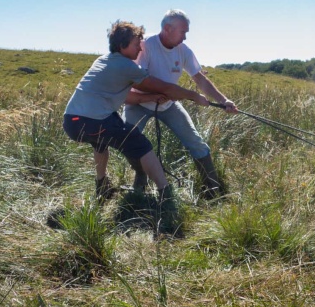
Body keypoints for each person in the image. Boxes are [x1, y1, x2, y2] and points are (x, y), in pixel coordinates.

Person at [63, 20, 209, 213]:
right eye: (136, 44)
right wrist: (193, 95)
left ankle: (102, 185)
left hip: (72, 122)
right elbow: (164, 87)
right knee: (142, 146)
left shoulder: (102, 61)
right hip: (96, 121)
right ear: (122, 46)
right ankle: (166, 194)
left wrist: (151, 98)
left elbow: (128, 97)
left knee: (100, 142)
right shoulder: (127, 66)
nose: (141, 47)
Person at [123, 9, 238, 200]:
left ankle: (214, 190)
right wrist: (181, 95)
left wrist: (223, 100)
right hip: (138, 103)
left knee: (195, 142)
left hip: (168, 105)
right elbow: (138, 80)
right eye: (183, 32)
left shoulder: (183, 51)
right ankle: (141, 178)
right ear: (168, 28)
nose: (185, 37)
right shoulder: (145, 46)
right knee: (127, 139)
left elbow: (200, 79)